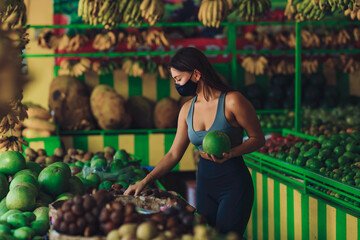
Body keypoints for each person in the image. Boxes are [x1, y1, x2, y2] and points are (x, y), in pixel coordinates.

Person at [124, 47, 265, 236]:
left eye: (179, 79)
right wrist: (145, 181)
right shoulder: (186, 110)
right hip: (205, 185)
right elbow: (174, 154)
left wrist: (231, 152)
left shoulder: (232, 101)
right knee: (203, 235)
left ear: (196, 74)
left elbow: (258, 139)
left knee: (227, 236)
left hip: (234, 185)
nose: (177, 85)